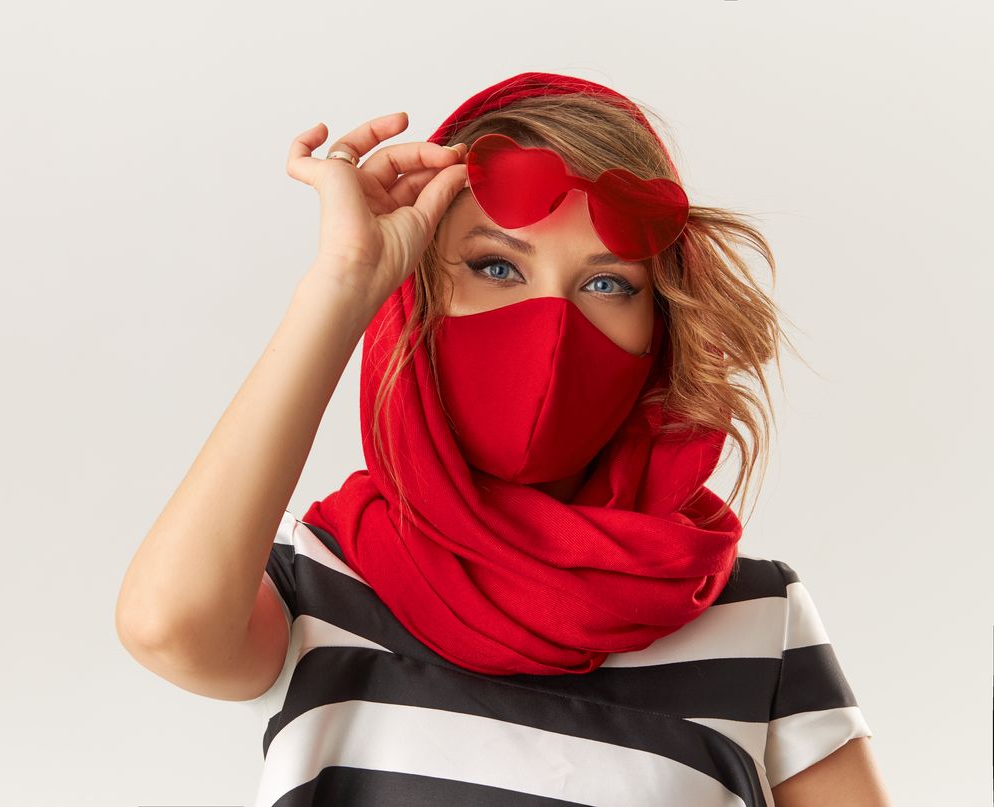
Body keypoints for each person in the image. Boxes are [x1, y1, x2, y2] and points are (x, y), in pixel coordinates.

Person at [116, 72, 892, 806]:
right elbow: (166, 624)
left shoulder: (759, 617)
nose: (553, 330)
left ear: (660, 327)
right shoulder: (321, 581)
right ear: (416, 295)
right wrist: (345, 280)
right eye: (495, 265)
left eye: (607, 282)